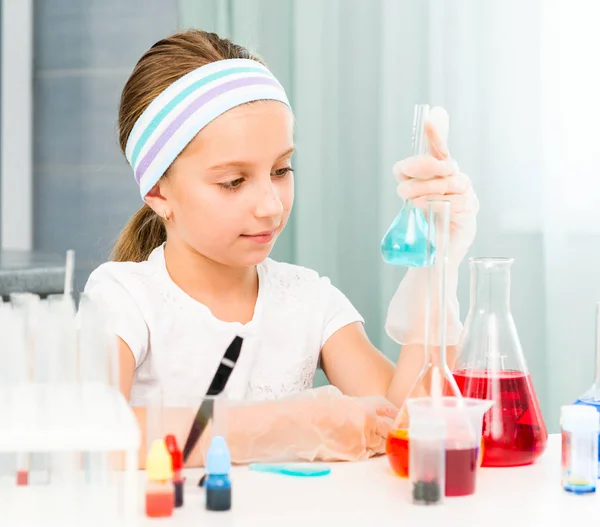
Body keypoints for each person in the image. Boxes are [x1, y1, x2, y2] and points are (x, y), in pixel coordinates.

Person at [83, 29, 478, 465]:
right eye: (233, 182)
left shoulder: (309, 300)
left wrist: (437, 266)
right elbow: (94, 435)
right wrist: (292, 425)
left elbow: (407, 424)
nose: (271, 207)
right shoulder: (123, 299)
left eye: (281, 169)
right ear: (158, 191)